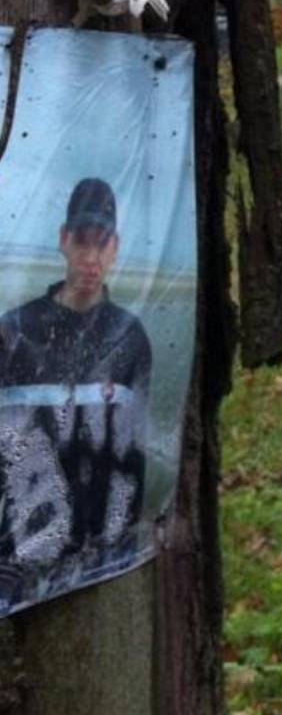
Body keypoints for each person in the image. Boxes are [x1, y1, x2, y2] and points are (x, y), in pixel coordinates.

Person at [0, 178, 151, 588]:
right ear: (64, 241)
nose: (91, 258)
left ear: (115, 249)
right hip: (18, 564)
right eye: (83, 242)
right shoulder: (15, 330)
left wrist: (116, 550)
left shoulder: (130, 338)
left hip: (99, 561)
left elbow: (131, 461)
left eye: (102, 245)